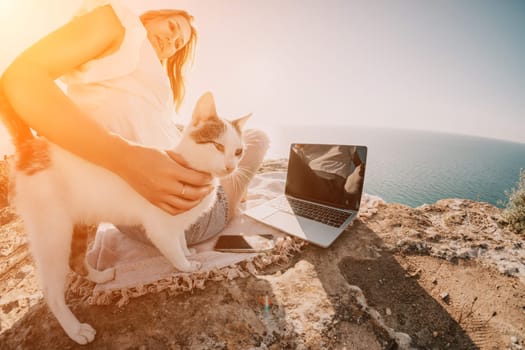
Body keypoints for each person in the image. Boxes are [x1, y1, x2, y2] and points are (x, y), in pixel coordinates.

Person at [1, 0, 269, 246]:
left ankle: (233, 191)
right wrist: (126, 158)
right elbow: (19, 79)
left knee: (207, 141)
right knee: (258, 136)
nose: (172, 40)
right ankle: (236, 194)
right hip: (185, 218)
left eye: (178, 44)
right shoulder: (121, 23)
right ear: (151, 18)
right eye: (173, 27)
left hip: (143, 221)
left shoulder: (147, 85)